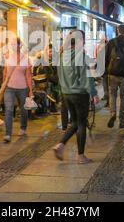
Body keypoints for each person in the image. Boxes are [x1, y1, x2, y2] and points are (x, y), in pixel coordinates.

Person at [52, 30, 100, 164]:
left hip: (66, 93)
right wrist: (94, 93)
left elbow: (60, 75)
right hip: (79, 94)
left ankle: (60, 145)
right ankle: (80, 156)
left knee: (75, 122)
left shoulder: (62, 55)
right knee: (81, 123)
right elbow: (87, 77)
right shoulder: (81, 56)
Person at [1, 37, 34, 143]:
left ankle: (23, 127)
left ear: (20, 45)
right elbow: (5, 73)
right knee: (9, 109)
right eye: (11, 44)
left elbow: (28, 75)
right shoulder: (7, 57)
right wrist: (3, 85)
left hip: (22, 88)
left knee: (23, 109)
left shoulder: (26, 58)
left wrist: (30, 90)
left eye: (15, 44)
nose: (13, 46)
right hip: (9, 87)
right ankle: (8, 134)